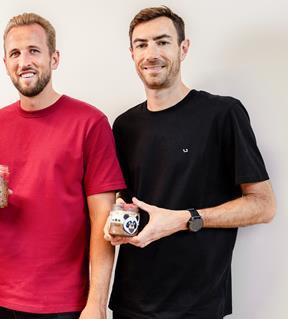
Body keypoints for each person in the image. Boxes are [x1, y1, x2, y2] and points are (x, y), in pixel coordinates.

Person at [104, 6, 277, 319]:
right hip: (131, 303)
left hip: (198, 307)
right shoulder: (124, 125)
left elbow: (263, 206)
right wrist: (117, 222)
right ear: (132, 54)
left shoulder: (222, 114)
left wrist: (186, 218)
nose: (151, 53)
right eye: (141, 44)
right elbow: (125, 202)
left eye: (163, 41)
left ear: (183, 48)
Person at [0, 12, 126, 319]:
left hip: (64, 302)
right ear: (5, 64)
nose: (24, 61)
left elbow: (102, 219)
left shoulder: (90, 123)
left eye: (34, 50)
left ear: (54, 58)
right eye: (15, 53)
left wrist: (96, 303)